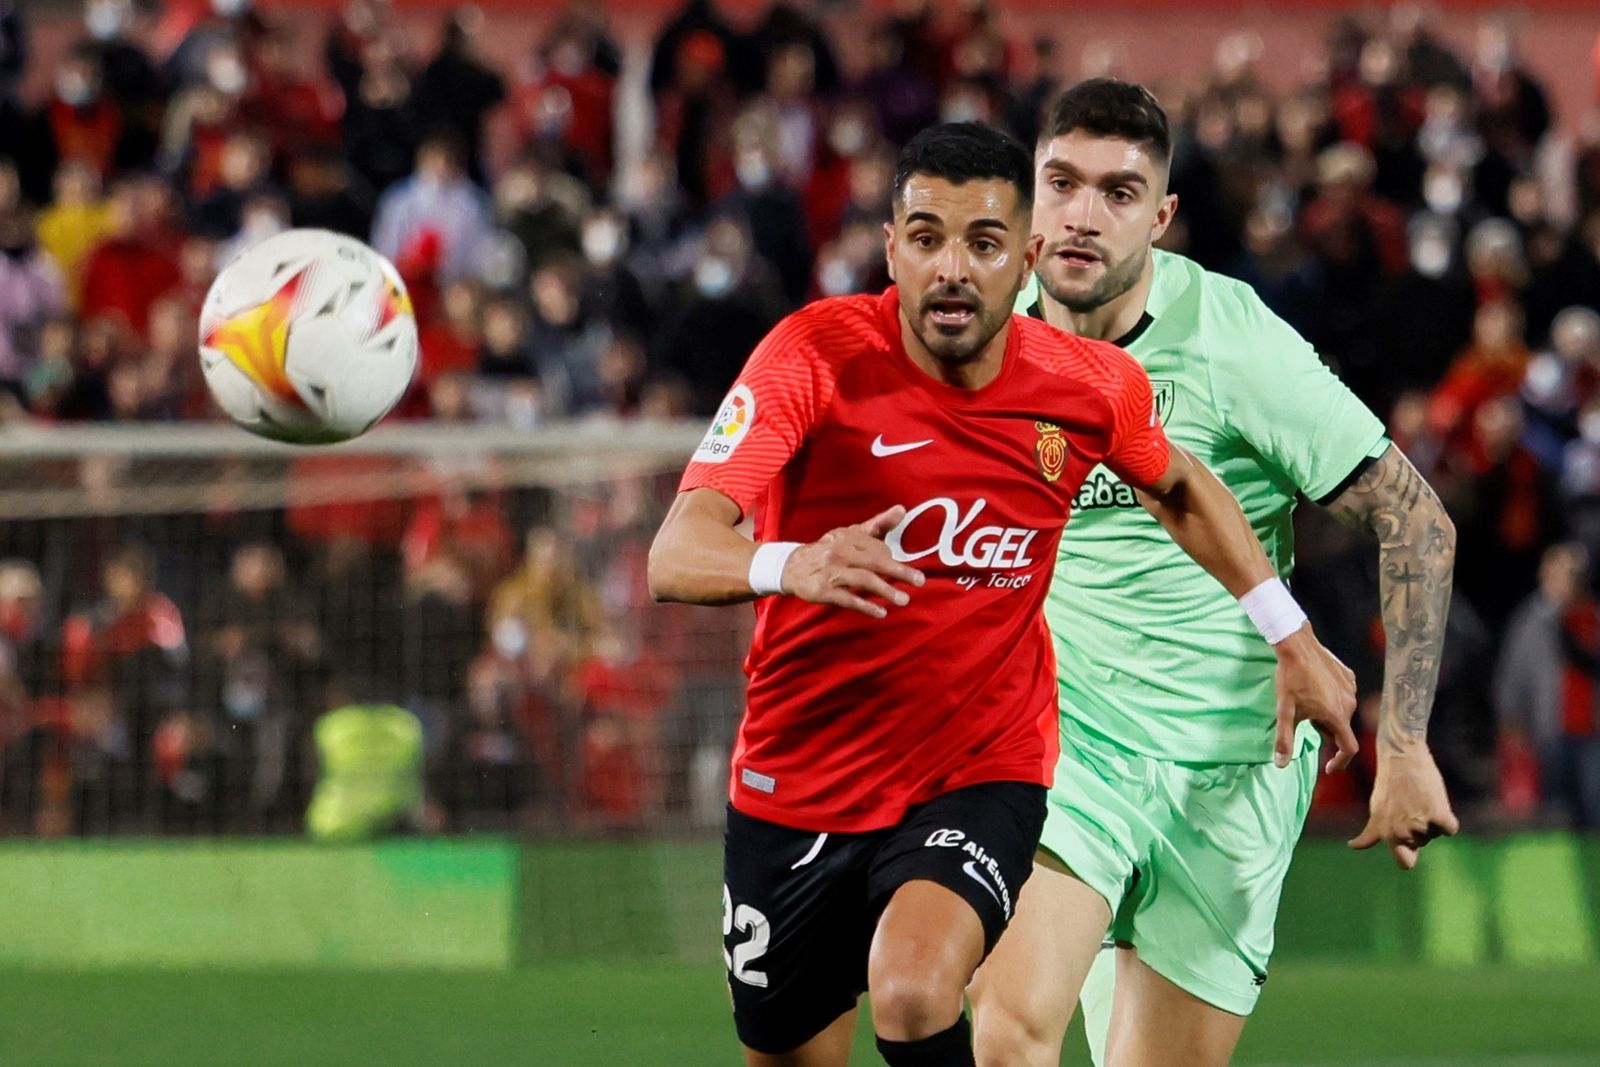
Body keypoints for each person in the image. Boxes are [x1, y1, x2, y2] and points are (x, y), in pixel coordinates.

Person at [648, 121, 1356, 1067]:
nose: (952, 269)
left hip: (980, 769)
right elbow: (677, 548)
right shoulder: (811, 357)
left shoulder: (1085, 384)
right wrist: (790, 563)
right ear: (891, 248)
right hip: (801, 777)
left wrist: (1289, 633)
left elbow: (1181, 485)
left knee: (912, 989)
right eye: (928, 238)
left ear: (1020, 259)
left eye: (982, 244)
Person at [969, 80, 1460, 1067]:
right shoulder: (979, 337)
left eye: (1117, 192)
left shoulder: (1232, 341)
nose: (1081, 214)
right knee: (1007, 1024)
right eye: (1060, 182)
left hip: (1228, 767)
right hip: (1064, 749)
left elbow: (1414, 515)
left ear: (1160, 217)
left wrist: (1402, 740)